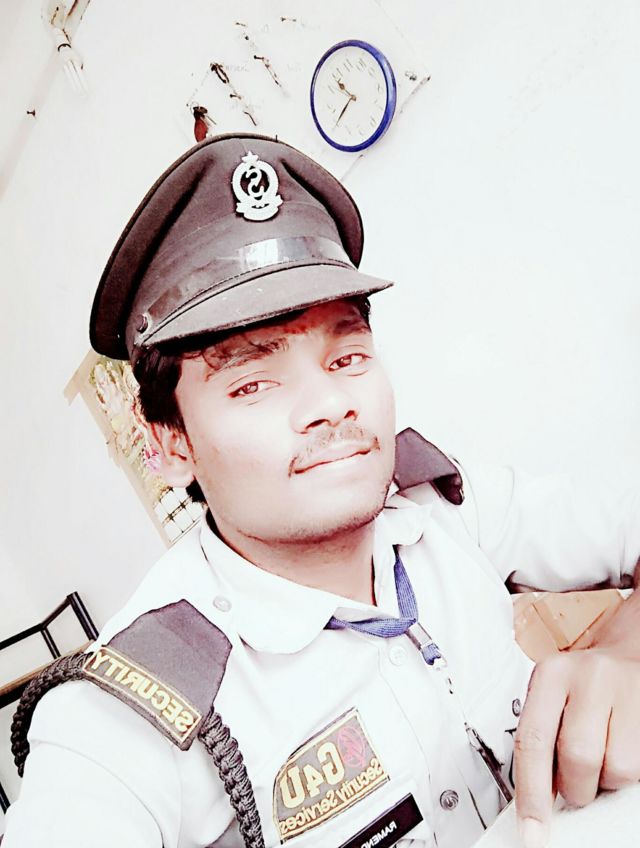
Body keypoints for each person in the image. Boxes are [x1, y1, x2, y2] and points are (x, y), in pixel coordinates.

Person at [3, 133, 640, 848]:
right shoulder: (127, 716)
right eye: (252, 383)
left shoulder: (442, 508)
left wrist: (626, 652)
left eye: (347, 356)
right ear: (172, 446)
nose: (330, 405)